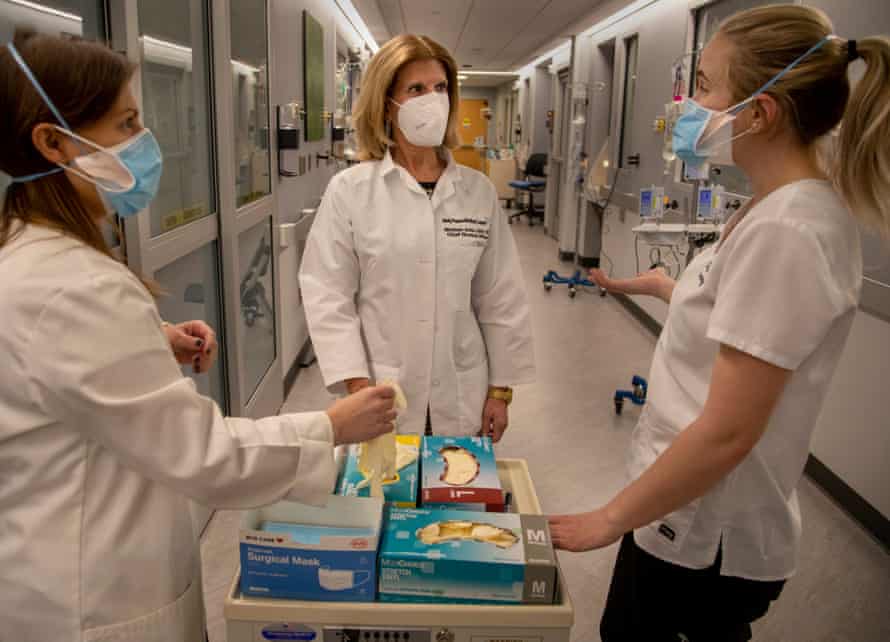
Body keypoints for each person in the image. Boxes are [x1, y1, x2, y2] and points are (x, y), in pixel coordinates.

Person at [0, 30, 397, 642]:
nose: (144, 143)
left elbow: (46, 361)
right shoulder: (76, 288)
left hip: (42, 560)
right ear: (53, 142)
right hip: (92, 597)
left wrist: (145, 338)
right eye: (126, 123)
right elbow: (206, 456)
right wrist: (331, 426)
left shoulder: (26, 255)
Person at [548, 5, 890, 641]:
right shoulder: (772, 209)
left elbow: (730, 431)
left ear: (760, 112)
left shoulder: (789, 230)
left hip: (702, 532)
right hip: (681, 509)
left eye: (703, 85)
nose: (686, 103)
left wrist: (609, 519)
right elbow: (747, 329)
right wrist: (670, 290)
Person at [300, 35, 535, 441]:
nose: (433, 100)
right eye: (416, 89)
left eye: (441, 88)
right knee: (383, 498)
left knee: (454, 493)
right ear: (387, 104)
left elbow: (501, 294)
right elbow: (327, 294)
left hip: (463, 386)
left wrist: (500, 391)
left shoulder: (477, 192)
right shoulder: (351, 190)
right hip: (380, 388)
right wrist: (356, 386)